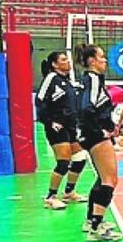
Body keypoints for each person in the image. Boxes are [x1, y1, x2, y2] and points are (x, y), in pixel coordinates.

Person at [74, 45, 123, 242]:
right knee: (110, 180)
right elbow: (86, 108)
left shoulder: (93, 80)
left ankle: (91, 220)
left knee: (103, 177)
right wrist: (99, 131)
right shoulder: (92, 80)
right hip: (94, 136)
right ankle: (96, 227)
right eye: (102, 57)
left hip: (92, 134)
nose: (105, 60)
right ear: (92, 61)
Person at [35, 51, 89, 210]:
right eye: (64, 60)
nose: (68, 62)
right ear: (54, 64)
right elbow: (39, 101)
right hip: (57, 127)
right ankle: (50, 197)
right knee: (64, 162)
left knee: (80, 158)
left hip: (71, 127)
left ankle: (69, 192)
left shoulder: (67, 82)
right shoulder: (51, 79)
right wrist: (49, 121)